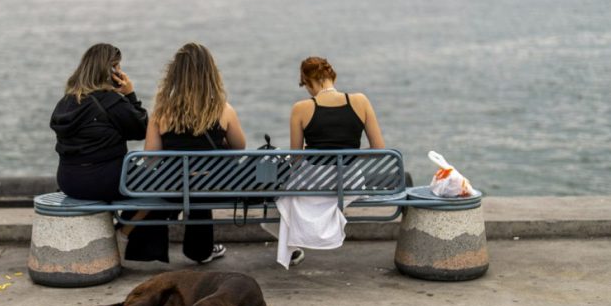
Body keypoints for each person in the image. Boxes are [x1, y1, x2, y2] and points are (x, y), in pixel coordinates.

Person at [265, 56, 385, 268]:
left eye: (306, 86)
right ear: (332, 76)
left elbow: (296, 158)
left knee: (279, 199)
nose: (308, 91)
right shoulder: (360, 101)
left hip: (313, 182)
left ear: (308, 81)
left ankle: (293, 248)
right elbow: (379, 150)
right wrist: (348, 155)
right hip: (349, 181)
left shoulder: (301, 109)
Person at [136, 42, 247, 264]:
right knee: (201, 184)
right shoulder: (223, 109)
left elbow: (150, 157)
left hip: (173, 186)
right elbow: (240, 146)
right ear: (210, 73)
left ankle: (198, 249)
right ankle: (200, 250)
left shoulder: (161, 112)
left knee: (189, 183)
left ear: (174, 75)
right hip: (213, 185)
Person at [49, 43, 146, 208]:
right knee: (163, 185)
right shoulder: (111, 102)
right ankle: (127, 232)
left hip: (68, 181)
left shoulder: (66, 102)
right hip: (104, 182)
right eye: (117, 66)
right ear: (111, 72)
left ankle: (124, 231)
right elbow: (142, 129)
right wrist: (130, 95)